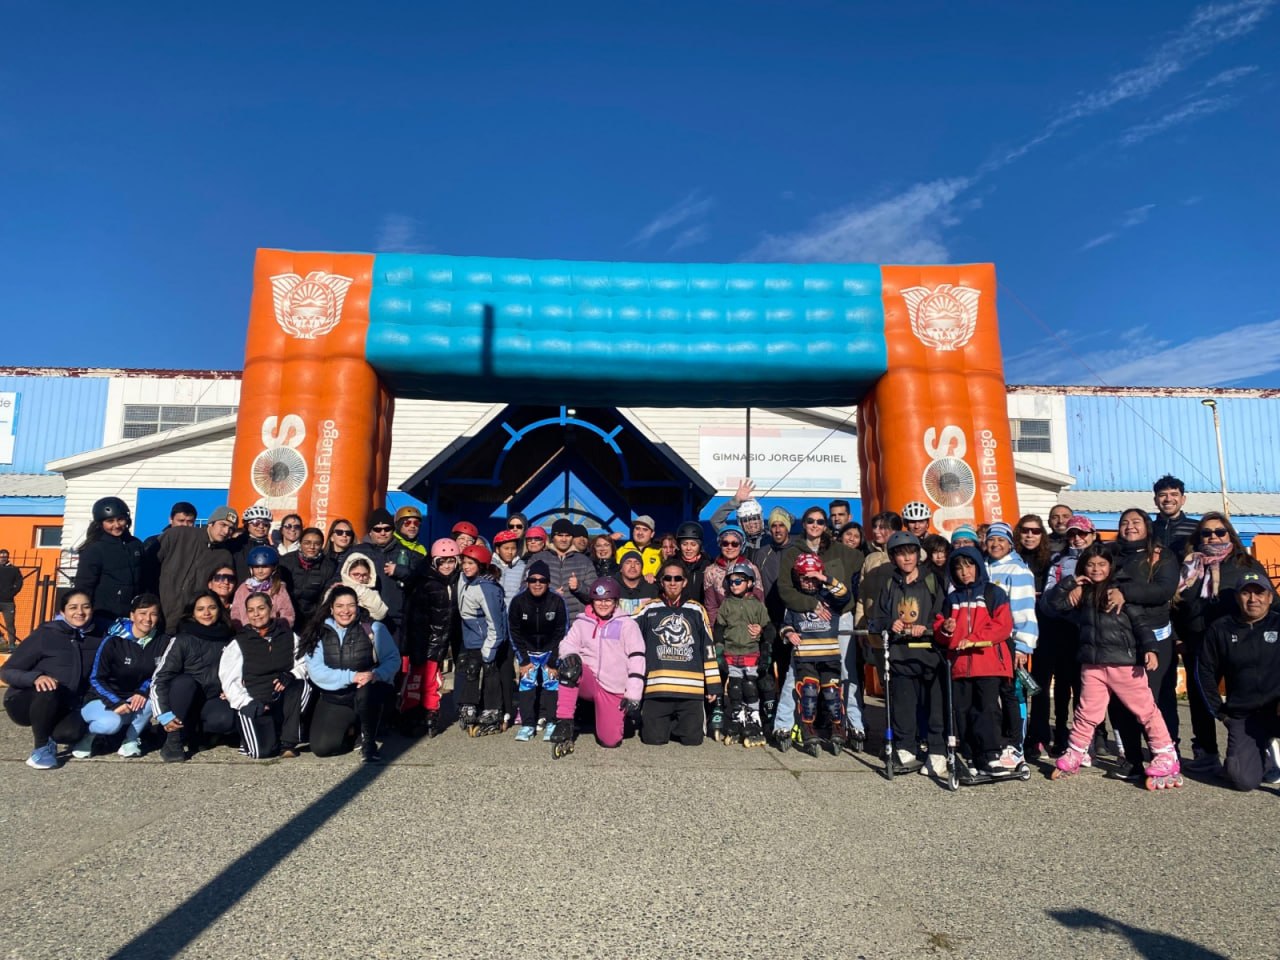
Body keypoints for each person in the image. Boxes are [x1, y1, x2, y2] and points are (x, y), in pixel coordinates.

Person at [1046, 545, 1180, 786]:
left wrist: (1150, 649)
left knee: (1145, 710)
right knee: (1087, 711)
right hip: (1093, 664)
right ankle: (1076, 751)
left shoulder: (1119, 591)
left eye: (1101, 564)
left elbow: (1141, 623)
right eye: (1090, 565)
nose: (1096, 569)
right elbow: (1054, 604)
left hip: (1124, 664)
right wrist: (1070, 583)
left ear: (1110, 567)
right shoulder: (1082, 592)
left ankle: (1165, 754)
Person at [1173, 512, 1273, 773]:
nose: (1213, 537)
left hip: (1238, 642)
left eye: (1219, 532)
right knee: (1200, 697)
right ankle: (1206, 751)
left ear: (1229, 534)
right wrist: (1177, 637)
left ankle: (1259, 747)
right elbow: (1173, 605)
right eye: (1206, 533)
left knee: (1246, 694)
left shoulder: (1245, 564)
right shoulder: (1188, 566)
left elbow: (1269, 601)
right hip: (1198, 641)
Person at [1105, 508, 1178, 781]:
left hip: (1155, 637)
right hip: (1119, 636)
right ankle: (1133, 759)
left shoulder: (1162, 556)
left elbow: (1164, 590)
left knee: (1152, 701)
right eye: (1124, 522)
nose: (1130, 527)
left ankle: (1165, 755)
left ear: (1147, 526)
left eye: (1136, 522)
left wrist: (1125, 592)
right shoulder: (1111, 554)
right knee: (1120, 701)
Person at [868, 532, 946, 775]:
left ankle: (937, 751)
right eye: (901, 554)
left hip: (930, 656)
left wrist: (928, 626)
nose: (907, 558)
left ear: (918, 555)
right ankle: (905, 748)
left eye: (911, 553)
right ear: (893, 558)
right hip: (900, 656)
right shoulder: (889, 584)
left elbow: (943, 614)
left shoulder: (932, 580)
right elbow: (876, 620)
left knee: (934, 708)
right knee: (903, 707)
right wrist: (890, 623)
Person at [1198, 572, 1280, 792]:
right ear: (1237, 597)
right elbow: (1204, 672)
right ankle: (1264, 756)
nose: (1253, 599)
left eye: (1259, 593)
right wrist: (1220, 712)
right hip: (1245, 715)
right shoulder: (1221, 629)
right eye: (1246, 593)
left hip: (1277, 709)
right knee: (1243, 781)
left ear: (1270, 597)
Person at [935, 547, 1014, 775]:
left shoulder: (993, 593)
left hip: (988, 664)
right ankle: (970, 756)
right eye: (958, 568)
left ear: (978, 566)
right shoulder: (952, 599)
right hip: (960, 666)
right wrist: (946, 629)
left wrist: (973, 639)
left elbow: (1002, 626)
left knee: (987, 710)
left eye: (969, 566)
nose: (964, 572)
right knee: (963, 712)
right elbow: (939, 631)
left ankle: (991, 755)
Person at [1, 591, 97, 769]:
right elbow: (7, 671)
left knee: (71, 734)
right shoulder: (45, 635)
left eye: (86, 607)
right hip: (25, 701)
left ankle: (51, 733)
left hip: (64, 704)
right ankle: (42, 748)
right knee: (49, 689)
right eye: (73, 607)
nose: (80, 612)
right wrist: (35, 677)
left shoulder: (95, 639)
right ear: (62, 612)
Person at [303, 586, 399, 761]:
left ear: (357, 606)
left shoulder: (373, 628)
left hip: (368, 692)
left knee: (366, 690)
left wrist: (376, 674)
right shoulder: (318, 632)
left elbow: (393, 659)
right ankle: (353, 732)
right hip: (336, 697)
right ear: (331, 608)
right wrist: (351, 676)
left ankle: (369, 742)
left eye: (351, 605)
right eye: (340, 606)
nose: (345, 611)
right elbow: (316, 670)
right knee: (322, 748)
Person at [550, 577, 646, 750]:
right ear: (592, 601)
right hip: (589, 680)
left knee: (610, 741)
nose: (603, 604)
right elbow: (567, 644)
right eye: (599, 600)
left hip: (613, 687)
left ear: (615, 601)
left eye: (608, 600)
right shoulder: (582, 622)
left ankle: (620, 719)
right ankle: (564, 722)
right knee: (570, 665)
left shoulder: (627, 625)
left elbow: (637, 658)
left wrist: (633, 693)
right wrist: (570, 655)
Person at [1029, 515, 1095, 759]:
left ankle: (1084, 740)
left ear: (1092, 534)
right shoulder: (1058, 560)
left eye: (1082, 533)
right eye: (1072, 534)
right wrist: (1069, 588)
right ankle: (1053, 735)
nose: (1077, 538)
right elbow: (1048, 600)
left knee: (1083, 687)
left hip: (1088, 631)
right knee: (1055, 686)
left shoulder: (1101, 558)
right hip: (1057, 628)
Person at [635, 563, 720, 747]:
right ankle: (663, 723)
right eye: (668, 578)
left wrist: (713, 685)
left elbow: (708, 648)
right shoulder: (648, 608)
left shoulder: (697, 610)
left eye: (677, 578)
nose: (672, 583)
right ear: (661, 582)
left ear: (684, 582)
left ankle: (674, 723)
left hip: (690, 691)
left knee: (693, 741)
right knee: (653, 740)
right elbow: (627, 636)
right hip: (657, 690)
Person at [778, 553, 853, 756]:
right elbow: (784, 624)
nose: (810, 583)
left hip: (829, 655)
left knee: (832, 694)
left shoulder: (829, 597)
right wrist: (789, 633)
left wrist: (825, 578)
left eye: (813, 578)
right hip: (805, 656)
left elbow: (845, 595)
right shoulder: (795, 601)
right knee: (808, 692)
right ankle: (808, 729)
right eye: (805, 578)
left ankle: (838, 728)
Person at [151, 591, 238, 763]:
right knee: (185, 683)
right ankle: (173, 740)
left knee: (225, 720)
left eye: (212, 608)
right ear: (192, 613)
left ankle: (197, 734)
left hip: (211, 699)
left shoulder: (230, 640)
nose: (206, 613)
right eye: (200, 609)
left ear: (219, 610)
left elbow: (238, 672)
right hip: (182, 700)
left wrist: (231, 689)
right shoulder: (181, 640)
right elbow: (159, 679)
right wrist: (163, 714)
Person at [219, 592, 308, 760]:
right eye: (251, 610)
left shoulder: (289, 636)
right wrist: (246, 702)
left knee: (301, 685)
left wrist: (291, 674)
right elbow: (229, 681)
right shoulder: (238, 643)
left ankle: (288, 743)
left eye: (261, 608)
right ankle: (255, 737)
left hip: (281, 699)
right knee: (262, 753)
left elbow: (304, 663)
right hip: (255, 701)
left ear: (271, 609)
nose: (256, 614)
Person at [78, 592, 163, 759]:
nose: (148, 619)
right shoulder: (113, 641)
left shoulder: (162, 641)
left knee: (153, 700)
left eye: (153, 614)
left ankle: (130, 741)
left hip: (133, 699)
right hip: (102, 699)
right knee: (111, 723)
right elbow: (96, 678)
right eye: (142, 613)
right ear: (132, 615)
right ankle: (88, 737)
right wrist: (115, 702)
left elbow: (159, 673)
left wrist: (143, 690)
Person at [983, 522, 1039, 767]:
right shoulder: (983, 567)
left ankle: (1016, 746)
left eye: (1001, 540)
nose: (995, 544)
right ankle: (994, 742)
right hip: (986, 643)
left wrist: (1023, 645)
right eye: (991, 540)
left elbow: (1024, 610)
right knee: (989, 696)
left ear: (1010, 544)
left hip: (1010, 643)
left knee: (1012, 694)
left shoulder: (1018, 570)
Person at [398, 538, 461, 735]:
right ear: (434, 562)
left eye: (451, 561)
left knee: (432, 681)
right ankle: (410, 714)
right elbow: (415, 619)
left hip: (439, 642)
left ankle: (430, 712)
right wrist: (415, 646)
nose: (447, 566)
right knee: (416, 681)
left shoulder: (455, 581)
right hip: (422, 642)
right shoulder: (425, 584)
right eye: (442, 562)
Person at [508, 559, 568, 741]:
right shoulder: (518, 601)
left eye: (542, 580)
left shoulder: (557, 600)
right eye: (533, 580)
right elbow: (513, 631)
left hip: (550, 651)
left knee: (551, 684)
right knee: (526, 685)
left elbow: (562, 631)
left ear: (548, 582)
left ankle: (551, 722)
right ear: (527, 582)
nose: (537, 584)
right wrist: (523, 659)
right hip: (528, 651)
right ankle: (527, 725)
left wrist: (554, 659)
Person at [715, 562, 773, 747]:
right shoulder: (726, 604)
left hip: (751, 653)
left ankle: (754, 720)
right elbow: (719, 628)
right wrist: (719, 649)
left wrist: (766, 649)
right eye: (731, 582)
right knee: (734, 688)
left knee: (750, 686)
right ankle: (737, 718)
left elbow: (768, 628)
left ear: (749, 583)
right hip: (731, 653)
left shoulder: (757, 605)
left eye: (738, 581)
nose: (734, 585)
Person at [456, 543, 510, 736]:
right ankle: (469, 705)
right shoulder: (465, 579)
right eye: (464, 562)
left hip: (488, 639)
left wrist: (490, 648)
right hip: (472, 638)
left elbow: (496, 622)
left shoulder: (487, 588)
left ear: (481, 565)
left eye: (471, 563)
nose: (466, 567)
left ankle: (492, 710)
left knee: (490, 672)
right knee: (471, 671)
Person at [156, 505, 237, 631]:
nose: (226, 531)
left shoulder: (224, 556)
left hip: (192, 623)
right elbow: (149, 567)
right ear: (211, 523)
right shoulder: (178, 535)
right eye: (223, 525)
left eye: (231, 528)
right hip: (159, 614)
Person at [73, 496, 145, 629]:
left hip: (132, 616)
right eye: (110, 521)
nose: (116, 525)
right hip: (104, 616)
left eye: (120, 519)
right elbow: (84, 585)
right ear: (101, 523)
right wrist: (82, 613)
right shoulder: (95, 549)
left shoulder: (135, 544)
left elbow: (145, 578)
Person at [350, 508, 419, 633]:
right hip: (364, 617)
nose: (383, 533)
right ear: (370, 532)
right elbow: (339, 576)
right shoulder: (357, 551)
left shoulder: (405, 552)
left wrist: (400, 570)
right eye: (377, 529)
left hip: (395, 618)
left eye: (387, 529)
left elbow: (419, 579)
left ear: (393, 530)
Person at [701, 524, 764, 626]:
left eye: (735, 544)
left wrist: (756, 627)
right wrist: (715, 630)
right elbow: (711, 607)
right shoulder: (710, 571)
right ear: (720, 545)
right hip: (722, 627)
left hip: (748, 627)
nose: (729, 547)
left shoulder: (752, 569)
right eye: (725, 543)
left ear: (741, 546)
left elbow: (759, 601)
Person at [539, 519, 596, 622]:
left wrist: (579, 586)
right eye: (560, 535)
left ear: (572, 538)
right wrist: (549, 594)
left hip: (576, 622)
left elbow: (595, 593)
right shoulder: (538, 559)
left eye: (568, 535)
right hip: (545, 620)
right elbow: (525, 589)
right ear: (553, 537)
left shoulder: (584, 561)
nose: (564, 539)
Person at [279, 527, 338, 626]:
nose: (312, 547)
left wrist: (316, 621)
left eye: (317, 544)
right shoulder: (286, 561)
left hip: (313, 619)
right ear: (300, 543)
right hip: (287, 616)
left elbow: (325, 597)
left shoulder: (329, 566)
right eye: (307, 543)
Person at [230, 545, 296, 629]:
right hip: (247, 633)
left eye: (265, 566)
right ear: (251, 568)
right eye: (256, 567)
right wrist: (241, 630)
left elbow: (288, 615)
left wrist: (278, 631)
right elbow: (235, 613)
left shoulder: (278, 588)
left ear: (273, 567)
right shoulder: (243, 588)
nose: (260, 571)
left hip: (271, 633)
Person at [141, 500, 197, 594]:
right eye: (181, 521)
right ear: (171, 519)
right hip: (158, 596)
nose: (185, 525)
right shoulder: (154, 543)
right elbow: (144, 575)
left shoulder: (198, 545)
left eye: (190, 521)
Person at [711, 480, 766, 552]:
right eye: (746, 520)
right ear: (740, 522)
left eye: (754, 518)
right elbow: (716, 521)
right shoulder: (735, 537)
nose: (751, 524)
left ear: (761, 518)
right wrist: (736, 500)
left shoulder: (772, 537)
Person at [332, 553, 389, 622]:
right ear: (347, 573)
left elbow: (380, 614)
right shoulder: (337, 589)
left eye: (364, 575)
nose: (361, 578)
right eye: (356, 574)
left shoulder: (370, 593)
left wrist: (361, 590)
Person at [1151, 475, 1199, 558]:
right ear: (1155, 500)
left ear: (1183, 499)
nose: (1168, 499)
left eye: (1174, 494)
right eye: (1162, 495)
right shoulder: (1147, 529)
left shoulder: (1198, 528)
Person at [673, 521, 711, 606]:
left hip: (700, 610)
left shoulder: (707, 565)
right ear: (679, 545)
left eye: (693, 544)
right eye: (684, 544)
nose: (688, 548)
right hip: (676, 610)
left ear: (699, 546)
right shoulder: (672, 563)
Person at [1014, 514, 1052, 594]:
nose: (1030, 535)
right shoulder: (1011, 556)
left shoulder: (1050, 557)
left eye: (1036, 531)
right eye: (1024, 531)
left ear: (1042, 534)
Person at [615, 550, 659, 615]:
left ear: (641, 569)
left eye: (637, 563)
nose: (633, 566)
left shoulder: (651, 588)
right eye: (628, 562)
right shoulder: (612, 586)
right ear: (621, 568)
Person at [0, 548, 25, 650]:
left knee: (10, 624)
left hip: (8, 602)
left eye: (5, 557)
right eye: (1, 556)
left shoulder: (14, 569)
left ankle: (11, 645)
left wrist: (12, 593)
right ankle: (1, 638)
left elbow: (19, 582)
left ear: (8, 557)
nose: (3, 558)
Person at [492, 529, 527, 602]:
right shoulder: (489, 566)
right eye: (506, 548)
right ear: (497, 549)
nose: (510, 552)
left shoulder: (523, 568)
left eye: (513, 548)